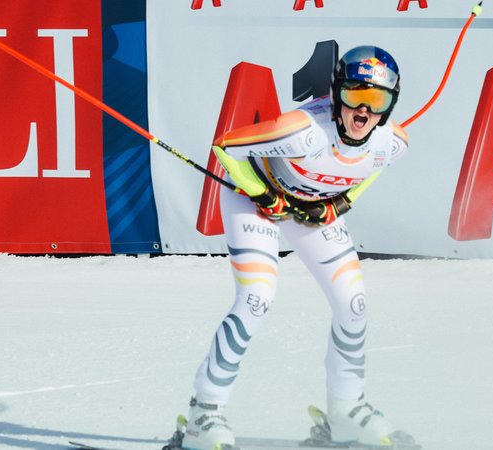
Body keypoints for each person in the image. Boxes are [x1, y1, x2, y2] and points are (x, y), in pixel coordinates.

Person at [181, 45, 411, 450]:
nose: (363, 112)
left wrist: (340, 203)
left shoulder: (390, 142)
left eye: (377, 101)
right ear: (336, 92)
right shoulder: (303, 129)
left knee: (353, 303)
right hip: (252, 198)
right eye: (354, 96)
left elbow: (374, 168)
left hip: (307, 208)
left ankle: (346, 411)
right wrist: (261, 192)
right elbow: (225, 146)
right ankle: (205, 413)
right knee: (256, 298)